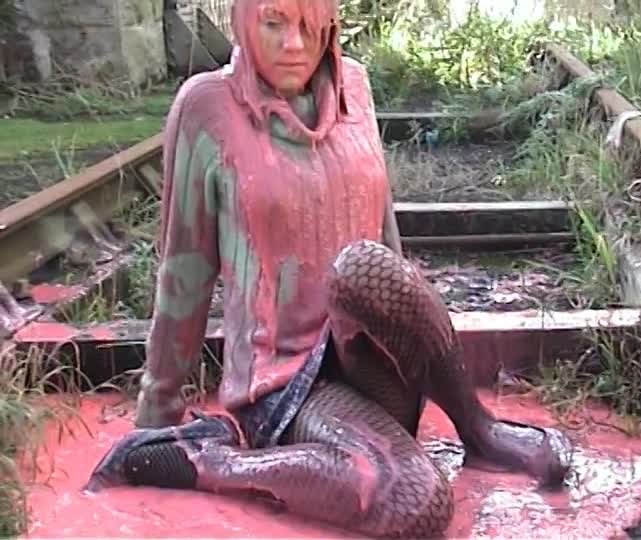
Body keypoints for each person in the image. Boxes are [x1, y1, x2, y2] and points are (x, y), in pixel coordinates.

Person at [85, 0, 573, 537]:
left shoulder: (355, 86)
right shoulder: (207, 106)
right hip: (285, 389)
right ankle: (214, 460)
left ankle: (479, 431)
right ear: (243, 22)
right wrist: (157, 409)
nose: (294, 45)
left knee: (365, 265)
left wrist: (413, 339)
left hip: (367, 363)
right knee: (419, 502)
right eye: (274, 23)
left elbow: (388, 244)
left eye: (309, 26)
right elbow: (184, 271)